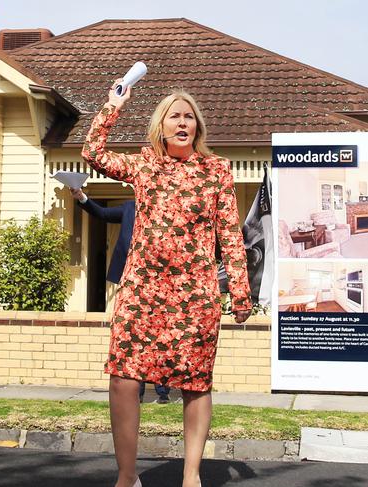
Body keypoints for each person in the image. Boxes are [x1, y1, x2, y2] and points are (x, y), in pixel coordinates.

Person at [81, 82, 252, 487]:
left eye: (188, 116)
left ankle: (191, 475)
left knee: (195, 381)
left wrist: (241, 291)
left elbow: (229, 234)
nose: (182, 121)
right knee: (123, 376)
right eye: (174, 115)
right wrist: (113, 105)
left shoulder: (217, 171)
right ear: (161, 126)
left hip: (195, 293)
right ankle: (127, 476)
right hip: (142, 290)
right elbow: (93, 153)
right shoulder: (144, 165)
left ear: (197, 127)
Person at [70, 188, 171, 405]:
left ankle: (163, 392)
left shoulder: (167, 209)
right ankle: (139, 392)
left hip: (159, 282)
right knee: (135, 338)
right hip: (131, 280)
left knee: (159, 337)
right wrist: (81, 197)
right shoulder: (129, 208)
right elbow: (103, 214)